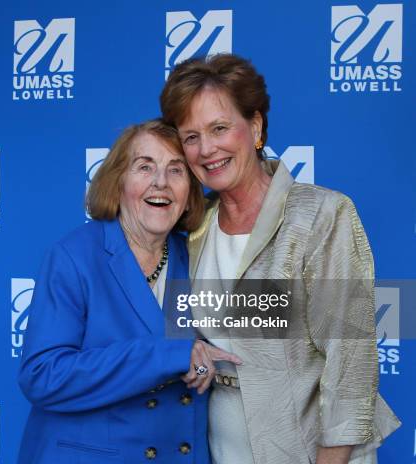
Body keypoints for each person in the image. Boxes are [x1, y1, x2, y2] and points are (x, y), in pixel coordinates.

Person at [160, 54, 401, 464]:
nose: (207, 149)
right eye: (191, 136)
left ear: (254, 127)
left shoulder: (321, 215)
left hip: (306, 451)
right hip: (216, 446)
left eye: (220, 128)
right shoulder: (192, 227)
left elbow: (351, 363)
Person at [17, 119, 242, 464]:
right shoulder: (73, 257)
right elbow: (43, 375)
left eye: (176, 170)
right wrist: (169, 355)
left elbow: (267, 321)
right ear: (119, 181)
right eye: (145, 167)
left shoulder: (193, 256)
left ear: (189, 192)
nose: (161, 183)